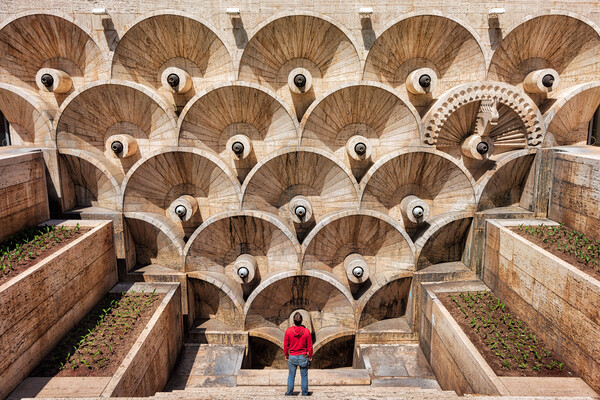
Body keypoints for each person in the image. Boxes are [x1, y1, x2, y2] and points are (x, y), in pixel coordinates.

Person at [284, 312, 313, 396]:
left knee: (291, 375)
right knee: (304, 376)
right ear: (302, 321)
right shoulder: (306, 331)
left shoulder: (288, 331)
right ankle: (304, 393)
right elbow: (310, 345)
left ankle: (289, 393)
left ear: (293, 320)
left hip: (292, 356)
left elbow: (286, 345)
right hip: (303, 356)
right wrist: (310, 356)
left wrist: (286, 355)